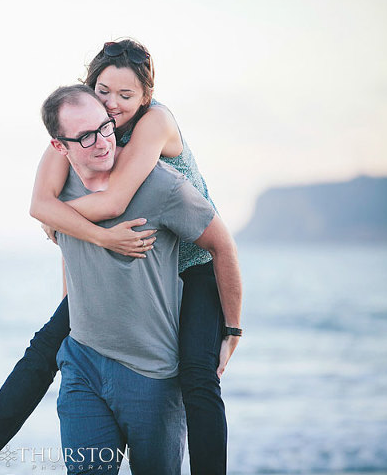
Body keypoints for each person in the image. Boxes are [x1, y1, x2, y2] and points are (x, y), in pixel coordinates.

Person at [0, 39, 242, 475]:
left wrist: (59, 220)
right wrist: (60, 228)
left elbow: (111, 202)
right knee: (43, 350)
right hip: (138, 266)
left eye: (126, 95)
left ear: (145, 95)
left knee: (198, 378)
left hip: (193, 264)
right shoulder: (77, 130)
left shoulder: (154, 123)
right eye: (104, 91)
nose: (112, 105)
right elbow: (42, 203)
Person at [41, 83, 240, 474]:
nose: (100, 142)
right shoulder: (57, 197)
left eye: (104, 128)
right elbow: (70, 257)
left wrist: (232, 329)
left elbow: (223, 246)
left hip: (151, 375)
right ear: (60, 147)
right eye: (83, 137)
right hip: (83, 368)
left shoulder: (162, 185)